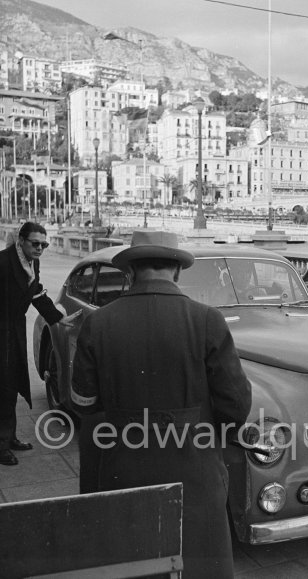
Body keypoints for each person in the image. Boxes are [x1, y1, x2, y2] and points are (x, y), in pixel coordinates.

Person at [71, 230, 252, 579]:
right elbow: (236, 407)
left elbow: (84, 403)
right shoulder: (207, 320)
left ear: (130, 272)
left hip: (123, 472)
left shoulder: (98, 323)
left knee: (133, 564)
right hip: (195, 476)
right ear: (178, 271)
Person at [0, 222, 77, 466]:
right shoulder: (3, 262)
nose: (40, 248)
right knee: (3, 386)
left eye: (44, 244)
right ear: (20, 240)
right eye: (35, 243)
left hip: (14, 330)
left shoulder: (33, 262)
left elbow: (36, 294)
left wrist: (57, 318)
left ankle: (9, 437)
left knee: (11, 383)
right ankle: (1, 447)